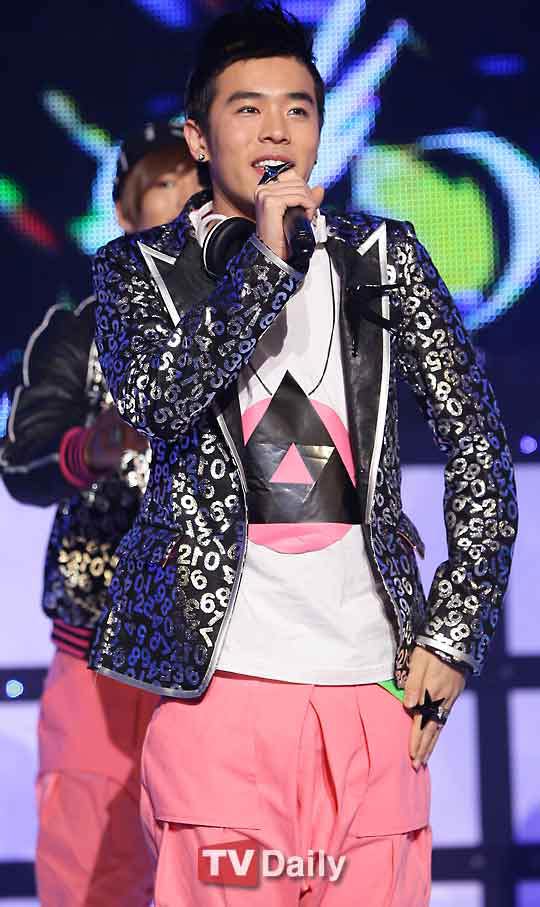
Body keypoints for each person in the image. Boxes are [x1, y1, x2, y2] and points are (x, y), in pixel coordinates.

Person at [89, 4, 518, 905]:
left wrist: (453, 630)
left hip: (374, 693)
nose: (277, 129)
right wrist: (267, 265)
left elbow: (478, 442)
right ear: (198, 138)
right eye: (247, 109)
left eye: (298, 108)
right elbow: (161, 403)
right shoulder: (137, 272)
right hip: (220, 694)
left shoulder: (386, 257)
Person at [0, 120, 203, 907]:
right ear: (124, 212)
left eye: (200, 190)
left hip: (223, 659)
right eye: (164, 187)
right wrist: (92, 447)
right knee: (92, 875)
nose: (184, 206)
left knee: (224, 871)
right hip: (95, 654)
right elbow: (23, 464)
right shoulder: (78, 334)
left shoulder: (264, 330)